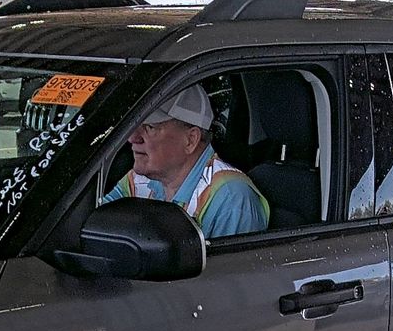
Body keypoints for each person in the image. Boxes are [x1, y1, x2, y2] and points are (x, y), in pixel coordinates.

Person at [100, 85, 269, 239]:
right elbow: (96, 224)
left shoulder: (230, 198)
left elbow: (224, 271)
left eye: (150, 127)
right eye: (135, 125)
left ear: (190, 139)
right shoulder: (139, 179)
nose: (132, 138)